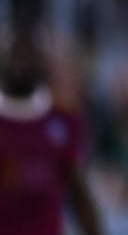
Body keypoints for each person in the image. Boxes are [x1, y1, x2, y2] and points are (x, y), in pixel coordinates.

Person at [0, 27, 102, 235]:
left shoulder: (64, 120)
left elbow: (79, 191)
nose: (20, 64)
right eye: (14, 56)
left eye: (26, 56)